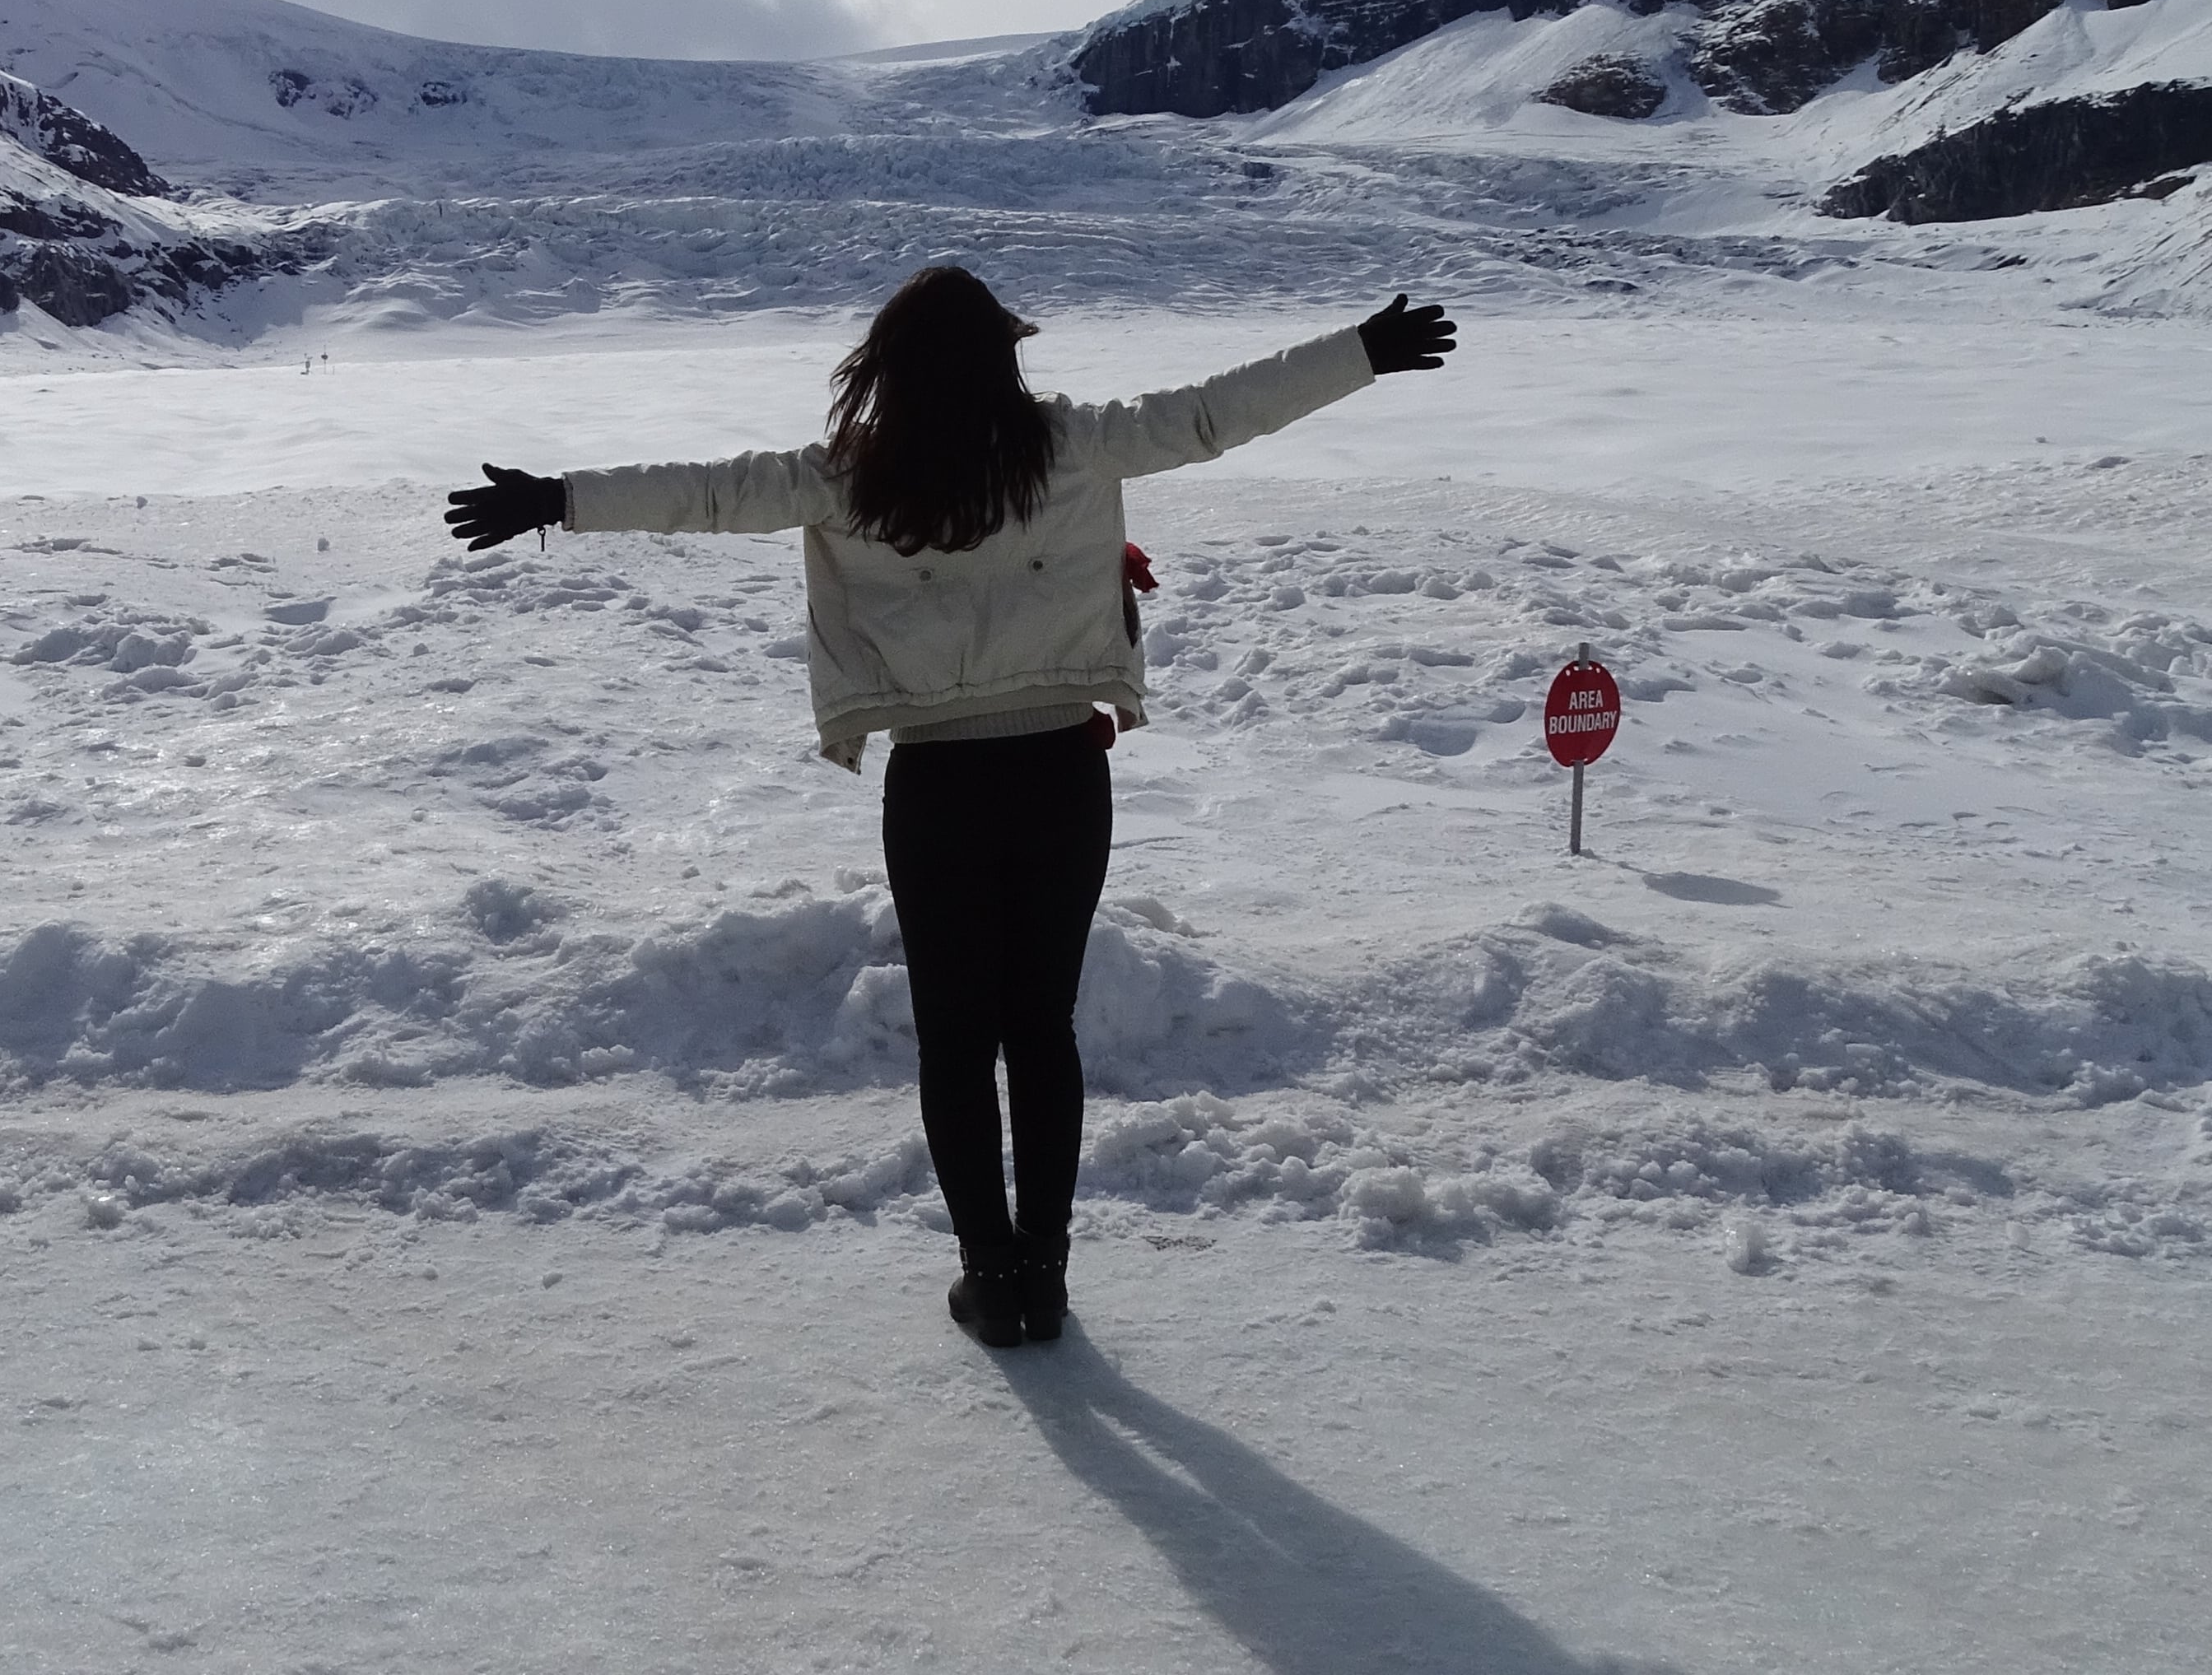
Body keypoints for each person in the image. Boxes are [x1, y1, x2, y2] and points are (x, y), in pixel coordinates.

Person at [443, 269, 1460, 1348]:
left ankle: (992, 1275)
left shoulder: (854, 477)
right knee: (1042, 1030)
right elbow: (1212, 415)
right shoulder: (1075, 444)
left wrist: (555, 499)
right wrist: (1362, 352)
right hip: (1064, 776)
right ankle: (1047, 1271)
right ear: (1004, 357)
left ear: (889, 369)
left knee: (956, 1042)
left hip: (937, 791)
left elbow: (709, 493)